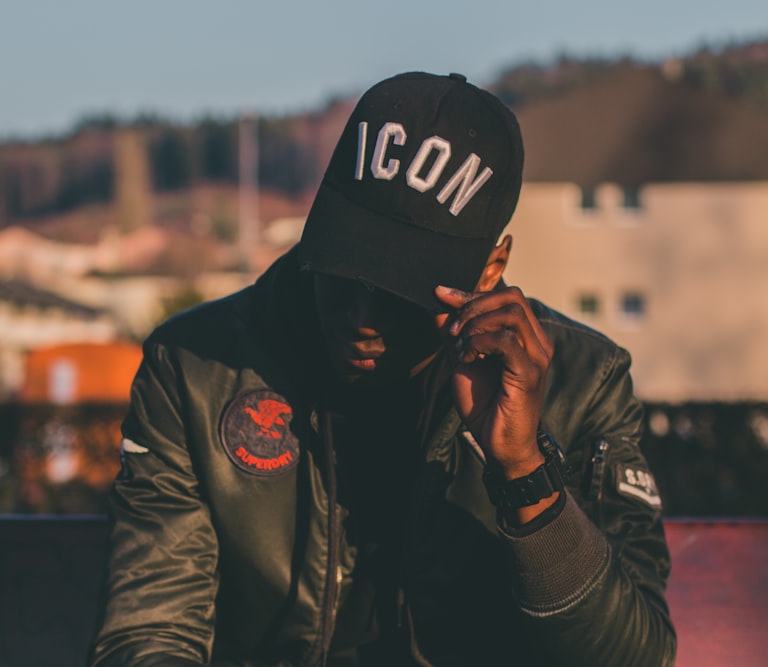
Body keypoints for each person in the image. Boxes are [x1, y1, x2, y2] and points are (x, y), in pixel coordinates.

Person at [90, 72, 676, 666]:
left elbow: (633, 660)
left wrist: (523, 470)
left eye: (402, 291)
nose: (361, 316)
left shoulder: (584, 383)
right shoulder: (195, 369)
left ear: (491, 268)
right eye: (344, 270)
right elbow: (152, 636)